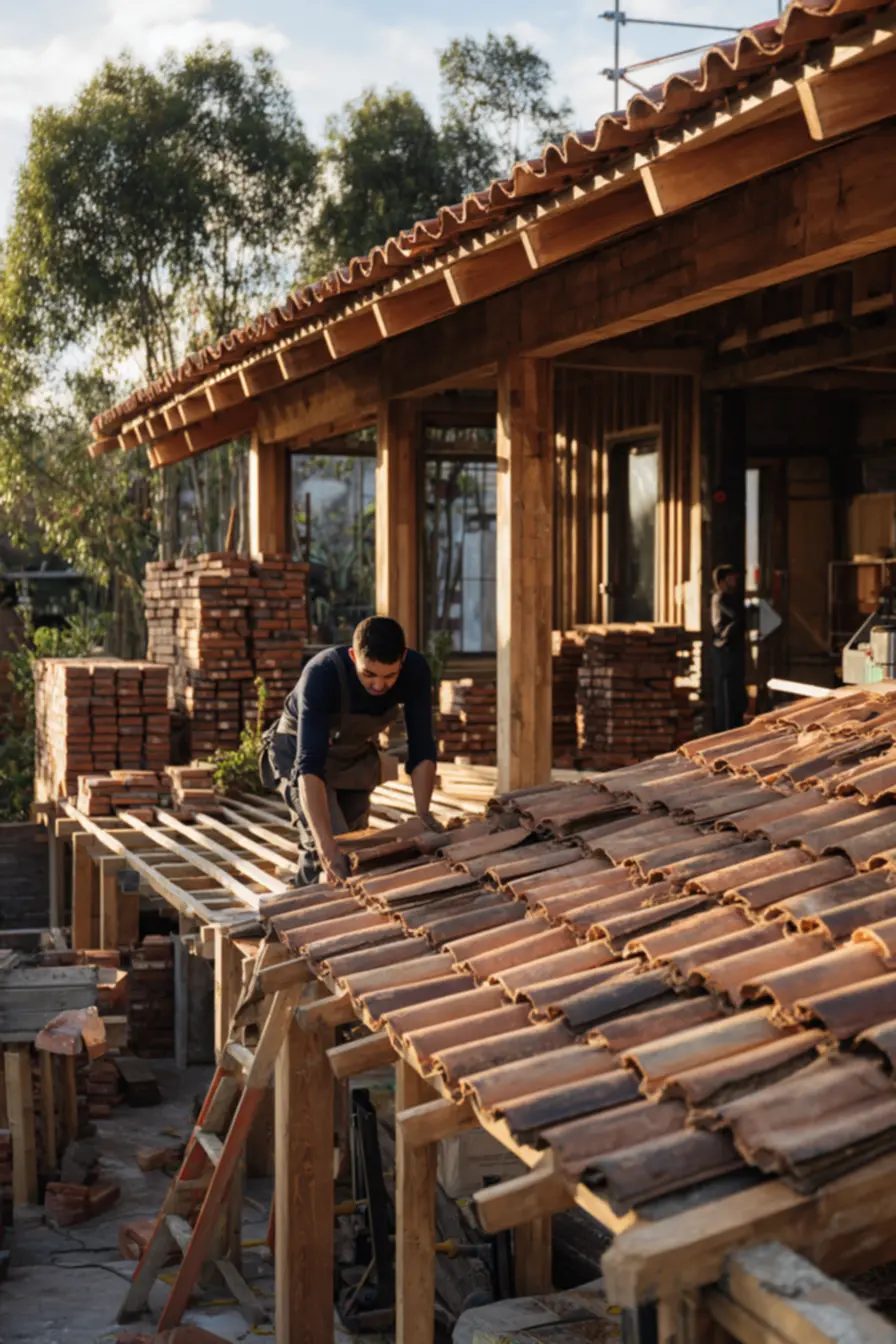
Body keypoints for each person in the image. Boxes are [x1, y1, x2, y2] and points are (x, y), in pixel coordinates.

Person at [262, 615, 439, 886]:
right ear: (353, 656)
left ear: (402, 659)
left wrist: (423, 816)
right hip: (299, 750)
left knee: (359, 845)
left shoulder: (415, 670)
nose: (379, 686)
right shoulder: (322, 674)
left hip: (352, 756)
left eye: (389, 676)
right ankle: (305, 912)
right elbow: (308, 765)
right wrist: (326, 847)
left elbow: (422, 748)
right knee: (332, 848)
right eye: (369, 674)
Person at [711, 564, 747, 731]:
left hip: (734, 652)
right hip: (727, 653)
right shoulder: (721, 598)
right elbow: (736, 618)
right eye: (731, 578)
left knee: (736, 697)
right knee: (727, 698)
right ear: (722, 581)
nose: (735, 582)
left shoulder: (730, 598)